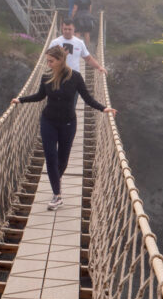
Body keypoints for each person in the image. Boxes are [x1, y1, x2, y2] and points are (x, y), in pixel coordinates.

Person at [11, 45, 116, 210]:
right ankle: (57, 195)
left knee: (63, 159)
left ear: (60, 60)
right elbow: (40, 96)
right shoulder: (46, 77)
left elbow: (87, 98)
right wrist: (21, 99)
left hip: (68, 123)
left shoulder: (75, 77)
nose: (48, 64)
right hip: (48, 121)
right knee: (51, 157)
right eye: (47, 61)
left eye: (51, 61)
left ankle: (55, 181)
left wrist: (104, 109)